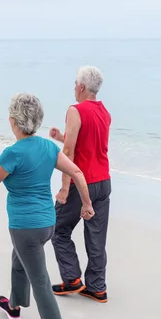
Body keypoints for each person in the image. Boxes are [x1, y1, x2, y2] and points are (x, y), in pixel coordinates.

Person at [0, 93, 95, 319]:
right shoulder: (48, 147)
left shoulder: (12, 153)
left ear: (13, 121)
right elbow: (77, 172)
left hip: (25, 226)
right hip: (47, 223)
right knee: (19, 261)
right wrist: (87, 204)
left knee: (40, 278)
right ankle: (14, 305)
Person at [50, 66, 111, 303]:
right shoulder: (104, 111)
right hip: (103, 182)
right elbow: (89, 144)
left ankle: (72, 279)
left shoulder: (75, 110)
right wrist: (61, 137)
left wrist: (65, 188)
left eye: (75, 83)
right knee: (96, 237)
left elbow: (70, 151)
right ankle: (97, 287)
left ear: (82, 87)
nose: (74, 87)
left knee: (58, 229)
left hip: (81, 182)